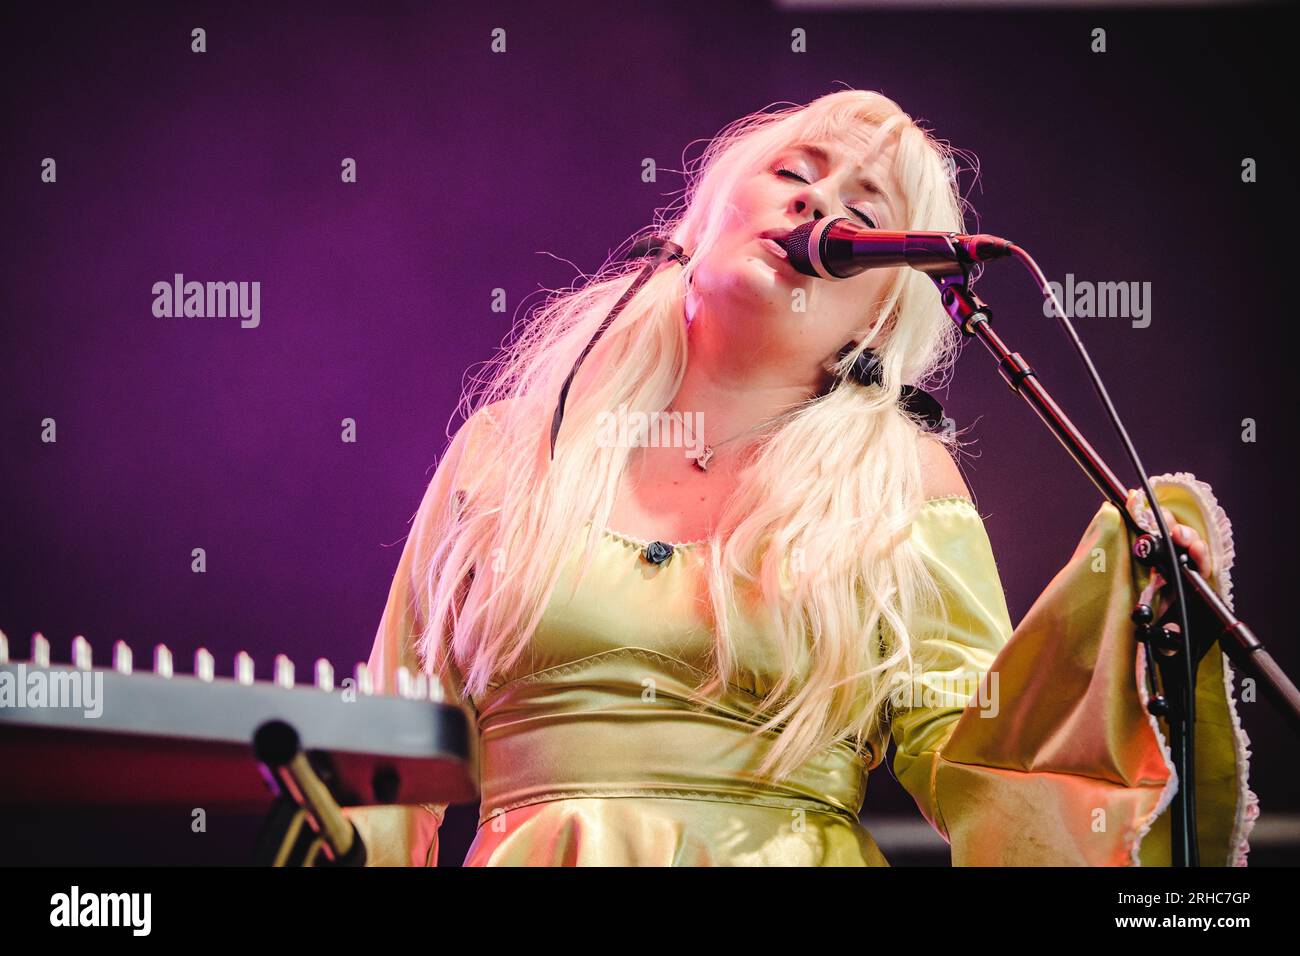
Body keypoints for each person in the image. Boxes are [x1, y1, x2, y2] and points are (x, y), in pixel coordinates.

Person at [347, 89, 1256, 866]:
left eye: (862, 211)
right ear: (702, 214)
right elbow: (387, 754)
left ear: (883, 304)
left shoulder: (902, 480)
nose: (819, 206)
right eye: (794, 173)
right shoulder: (514, 448)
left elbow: (976, 763)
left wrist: (1124, 652)